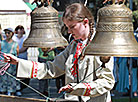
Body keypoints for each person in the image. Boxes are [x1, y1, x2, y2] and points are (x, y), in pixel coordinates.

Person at [3, 2, 115, 102]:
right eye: (67, 28)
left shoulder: (101, 43)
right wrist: (19, 62)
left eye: (72, 27)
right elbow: (51, 68)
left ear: (85, 22)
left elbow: (107, 81)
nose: (70, 32)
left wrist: (79, 88)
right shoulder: (74, 45)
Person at [0, 28, 20, 96]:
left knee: (12, 78)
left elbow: (17, 54)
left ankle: (12, 92)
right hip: (3, 64)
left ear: (12, 34)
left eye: (9, 32)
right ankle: (3, 93)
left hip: (12, 64)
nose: (7, 34)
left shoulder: (15, 44)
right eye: (6, 33)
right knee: (3, 79)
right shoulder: (2, 43)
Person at [12, 25, 29, 96]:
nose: (20, 31)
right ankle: (15, 89)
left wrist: (17, 51)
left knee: (22, 75)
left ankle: (20, 88)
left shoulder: (25, 38)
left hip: (23, 58)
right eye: (18, 29)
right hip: (15, 58)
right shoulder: (14, 38)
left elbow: (25, 47)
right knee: (15, 74)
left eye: (21, 29)